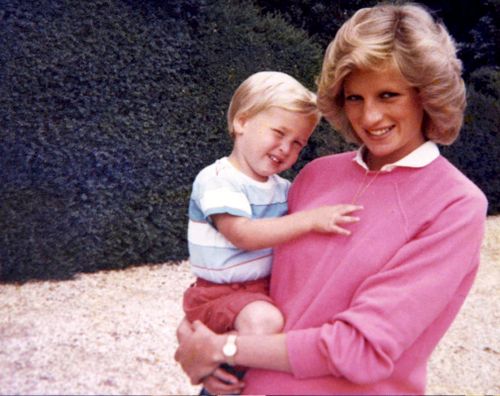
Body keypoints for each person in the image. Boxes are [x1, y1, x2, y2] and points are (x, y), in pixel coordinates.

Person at [175, 3, 488, 395]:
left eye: (388, 94)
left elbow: (361, 349)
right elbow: (241, 274)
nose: (369, 117)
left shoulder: (455, 205)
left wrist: (226, 347)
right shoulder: (315, 175)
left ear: (426, 95)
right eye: (355, 98)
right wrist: (194, 340)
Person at [183, 71, 361, 343]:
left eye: (297, 143)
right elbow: (243, 234)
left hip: (263, 289)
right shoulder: (218, 179)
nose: (285, 148)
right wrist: (310, 220)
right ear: (242, 121)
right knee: (265, 321)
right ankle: (219, 367)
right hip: (219, 293)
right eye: (279, 133)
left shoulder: (283, 189)